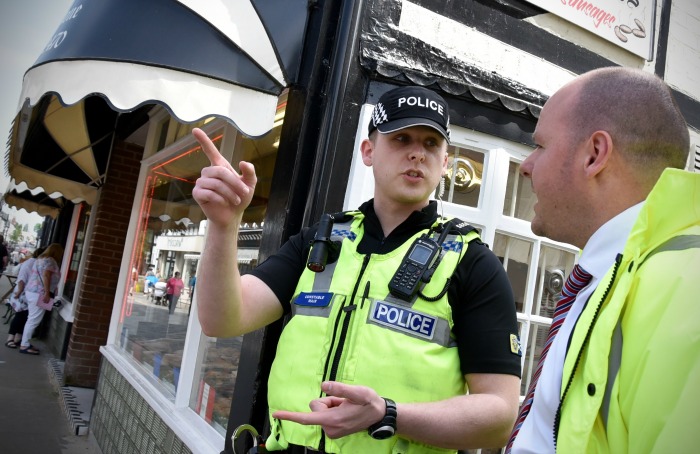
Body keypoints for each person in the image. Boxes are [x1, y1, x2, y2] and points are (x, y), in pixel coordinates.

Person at [192, 85, 521, 453]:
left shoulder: (473, 262)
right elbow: (221, 320)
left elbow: (500, 417)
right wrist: (223, 226)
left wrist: (387, 414)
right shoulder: (321, 241)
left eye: (431, 144)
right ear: (368, 151)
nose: (417, 153)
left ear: (445, 163)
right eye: (401, 138)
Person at [507, 67, 699, 453]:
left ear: (595, 154)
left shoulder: (685, 289)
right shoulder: (608, 276)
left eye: (540, 146)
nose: (526, 165)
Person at [19, 243, 64, 355]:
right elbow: (46, 275)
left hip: (32, 291)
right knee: (33, 320)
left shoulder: (40, 259)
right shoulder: (51, 261)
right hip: (40, 293)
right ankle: (24, 345)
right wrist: (47, 293)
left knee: (32, 319)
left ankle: (26, 343)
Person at [4, 247, 44, 348]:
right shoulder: (31, 263)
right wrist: (19, 292)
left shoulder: (38, 263)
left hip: (29, 293)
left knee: (26, 317)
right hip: (24, 293)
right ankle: (10, 338)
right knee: (20, 315)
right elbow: (22, 279)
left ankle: (18, 337)